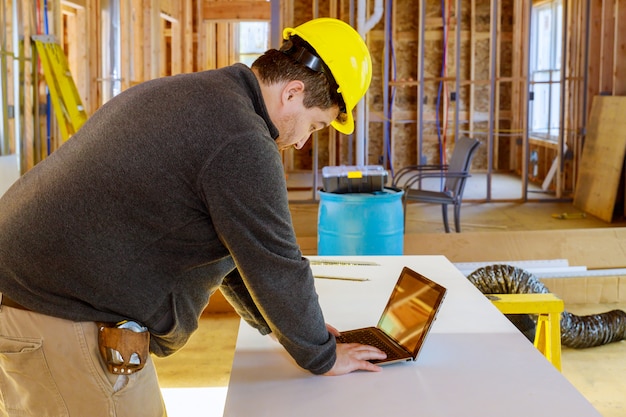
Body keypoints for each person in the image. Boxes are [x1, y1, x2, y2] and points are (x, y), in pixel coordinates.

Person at [0, 17, 386, 417]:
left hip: (33, 301)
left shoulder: (204, 97)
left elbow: (238, 250)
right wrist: (322, 357)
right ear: (292, 92)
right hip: (59, 317)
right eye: (315, 124)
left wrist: (290, 331)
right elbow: (275, 263)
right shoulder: (241, 139)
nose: (303, 140)